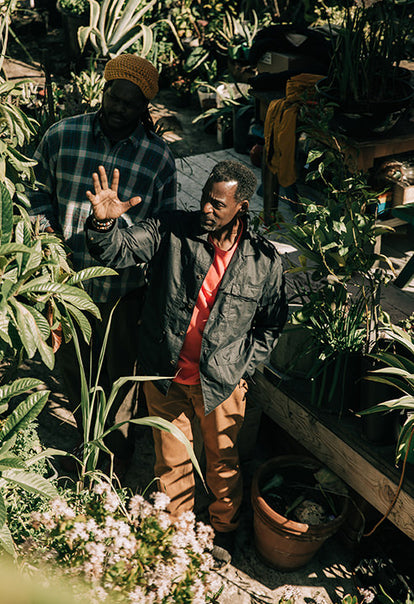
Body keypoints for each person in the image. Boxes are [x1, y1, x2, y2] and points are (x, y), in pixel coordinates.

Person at [85, 159, 287, 562]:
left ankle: (224, 529)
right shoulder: (170, 229)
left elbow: (271, 323)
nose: (206, 210)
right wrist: (104, 225)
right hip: (165, 371)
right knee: (171, 458)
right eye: (204, 200)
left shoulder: (263, 261)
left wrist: (242, 370)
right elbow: (118, 250)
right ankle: (177, 535)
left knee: (223, 461)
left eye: (217, 204)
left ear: (241, 207)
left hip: (222, 381)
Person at [29, 54, 177, 468]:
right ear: (104, 90)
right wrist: (47, 235)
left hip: (122, 292)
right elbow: (36, 192)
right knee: (72, 370)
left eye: (130, 103)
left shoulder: (157, 158)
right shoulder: (63, 136)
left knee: (118, 382)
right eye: (114, 97)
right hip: (65, 286)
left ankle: (114, 459)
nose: (118, 108)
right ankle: (86, 438)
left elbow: (160, 229)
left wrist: (113, 232)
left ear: (144, 107)